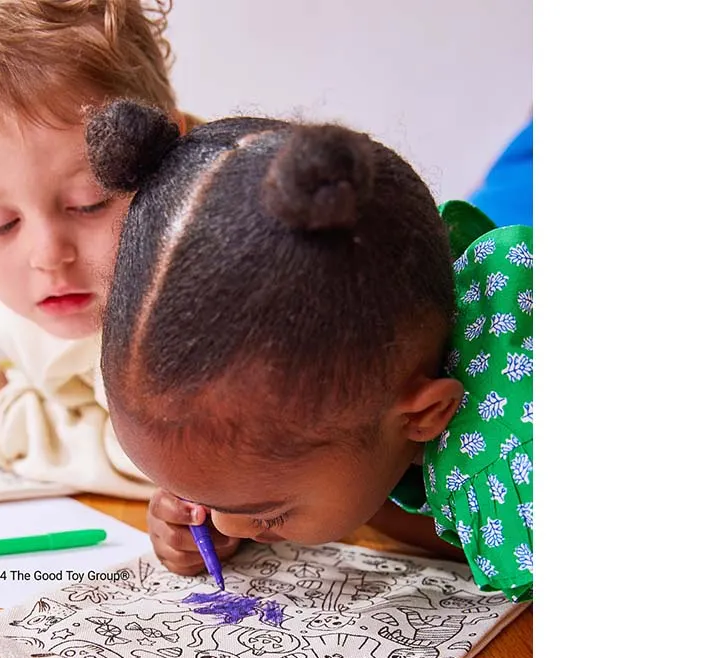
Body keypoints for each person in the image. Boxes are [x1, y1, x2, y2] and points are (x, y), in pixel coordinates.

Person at [85, 100, 533, 600]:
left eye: (268, 513)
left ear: (426, 413)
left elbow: (490, 547)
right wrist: (226, 497)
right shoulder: (386, 310)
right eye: (205, 501)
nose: (227, 528)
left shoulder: (521, 464)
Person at [0, 0, 196, 498]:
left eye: (89, 203)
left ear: (169, 154)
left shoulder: (186, 314)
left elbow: (170, 462)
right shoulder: (51, 285)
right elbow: (68, 373)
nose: (48, 254)